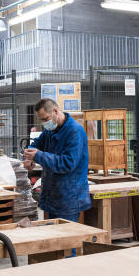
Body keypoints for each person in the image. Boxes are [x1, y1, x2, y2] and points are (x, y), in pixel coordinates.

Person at [23, 99, 91, 230]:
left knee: (66, 242)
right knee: (51, 240)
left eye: (46, 119)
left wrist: (38, 156)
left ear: (55, 111)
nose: (44, 123)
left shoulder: (75, 132)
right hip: (51, 195)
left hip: (69, 197)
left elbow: (67, 163)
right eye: (41, 120)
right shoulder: (50, 130)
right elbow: (36, 144)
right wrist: (29, 156)